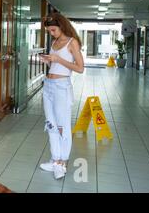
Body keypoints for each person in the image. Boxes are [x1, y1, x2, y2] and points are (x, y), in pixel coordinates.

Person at [40, 13, 84, 180]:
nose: (51, 33)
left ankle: (62, 162)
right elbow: (55, 65)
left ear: (61, 26)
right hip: (49, 85)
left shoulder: (72, 42)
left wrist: (58, 59)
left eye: (53, 30)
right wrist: (49, 61)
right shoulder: (55, 42)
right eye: (49, 31)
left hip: (62, 87)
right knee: (51, 124)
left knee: (62, 125)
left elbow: (80, 68)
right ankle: (55, 159)